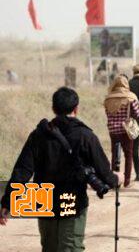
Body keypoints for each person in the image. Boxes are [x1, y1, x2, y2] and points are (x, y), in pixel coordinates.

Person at [0, 87, 122, 251]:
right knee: (70, 248)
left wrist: (7, 201)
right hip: (71, 201)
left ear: (53, 109)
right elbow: (104, 172)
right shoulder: (86, 136)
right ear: (76, 109)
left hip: (45, 200)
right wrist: (117, 179)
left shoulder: (39, 134)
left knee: (49, 248)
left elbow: (22, 170)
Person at [104, 76, 139, 187]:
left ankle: (114, 180)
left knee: (114, 154)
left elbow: (107, 113)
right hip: (126, 130)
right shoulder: (130, 97)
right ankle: (127, 180)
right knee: (128, 154)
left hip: (113, 130)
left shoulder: (108, 98)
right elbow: (137, 114)